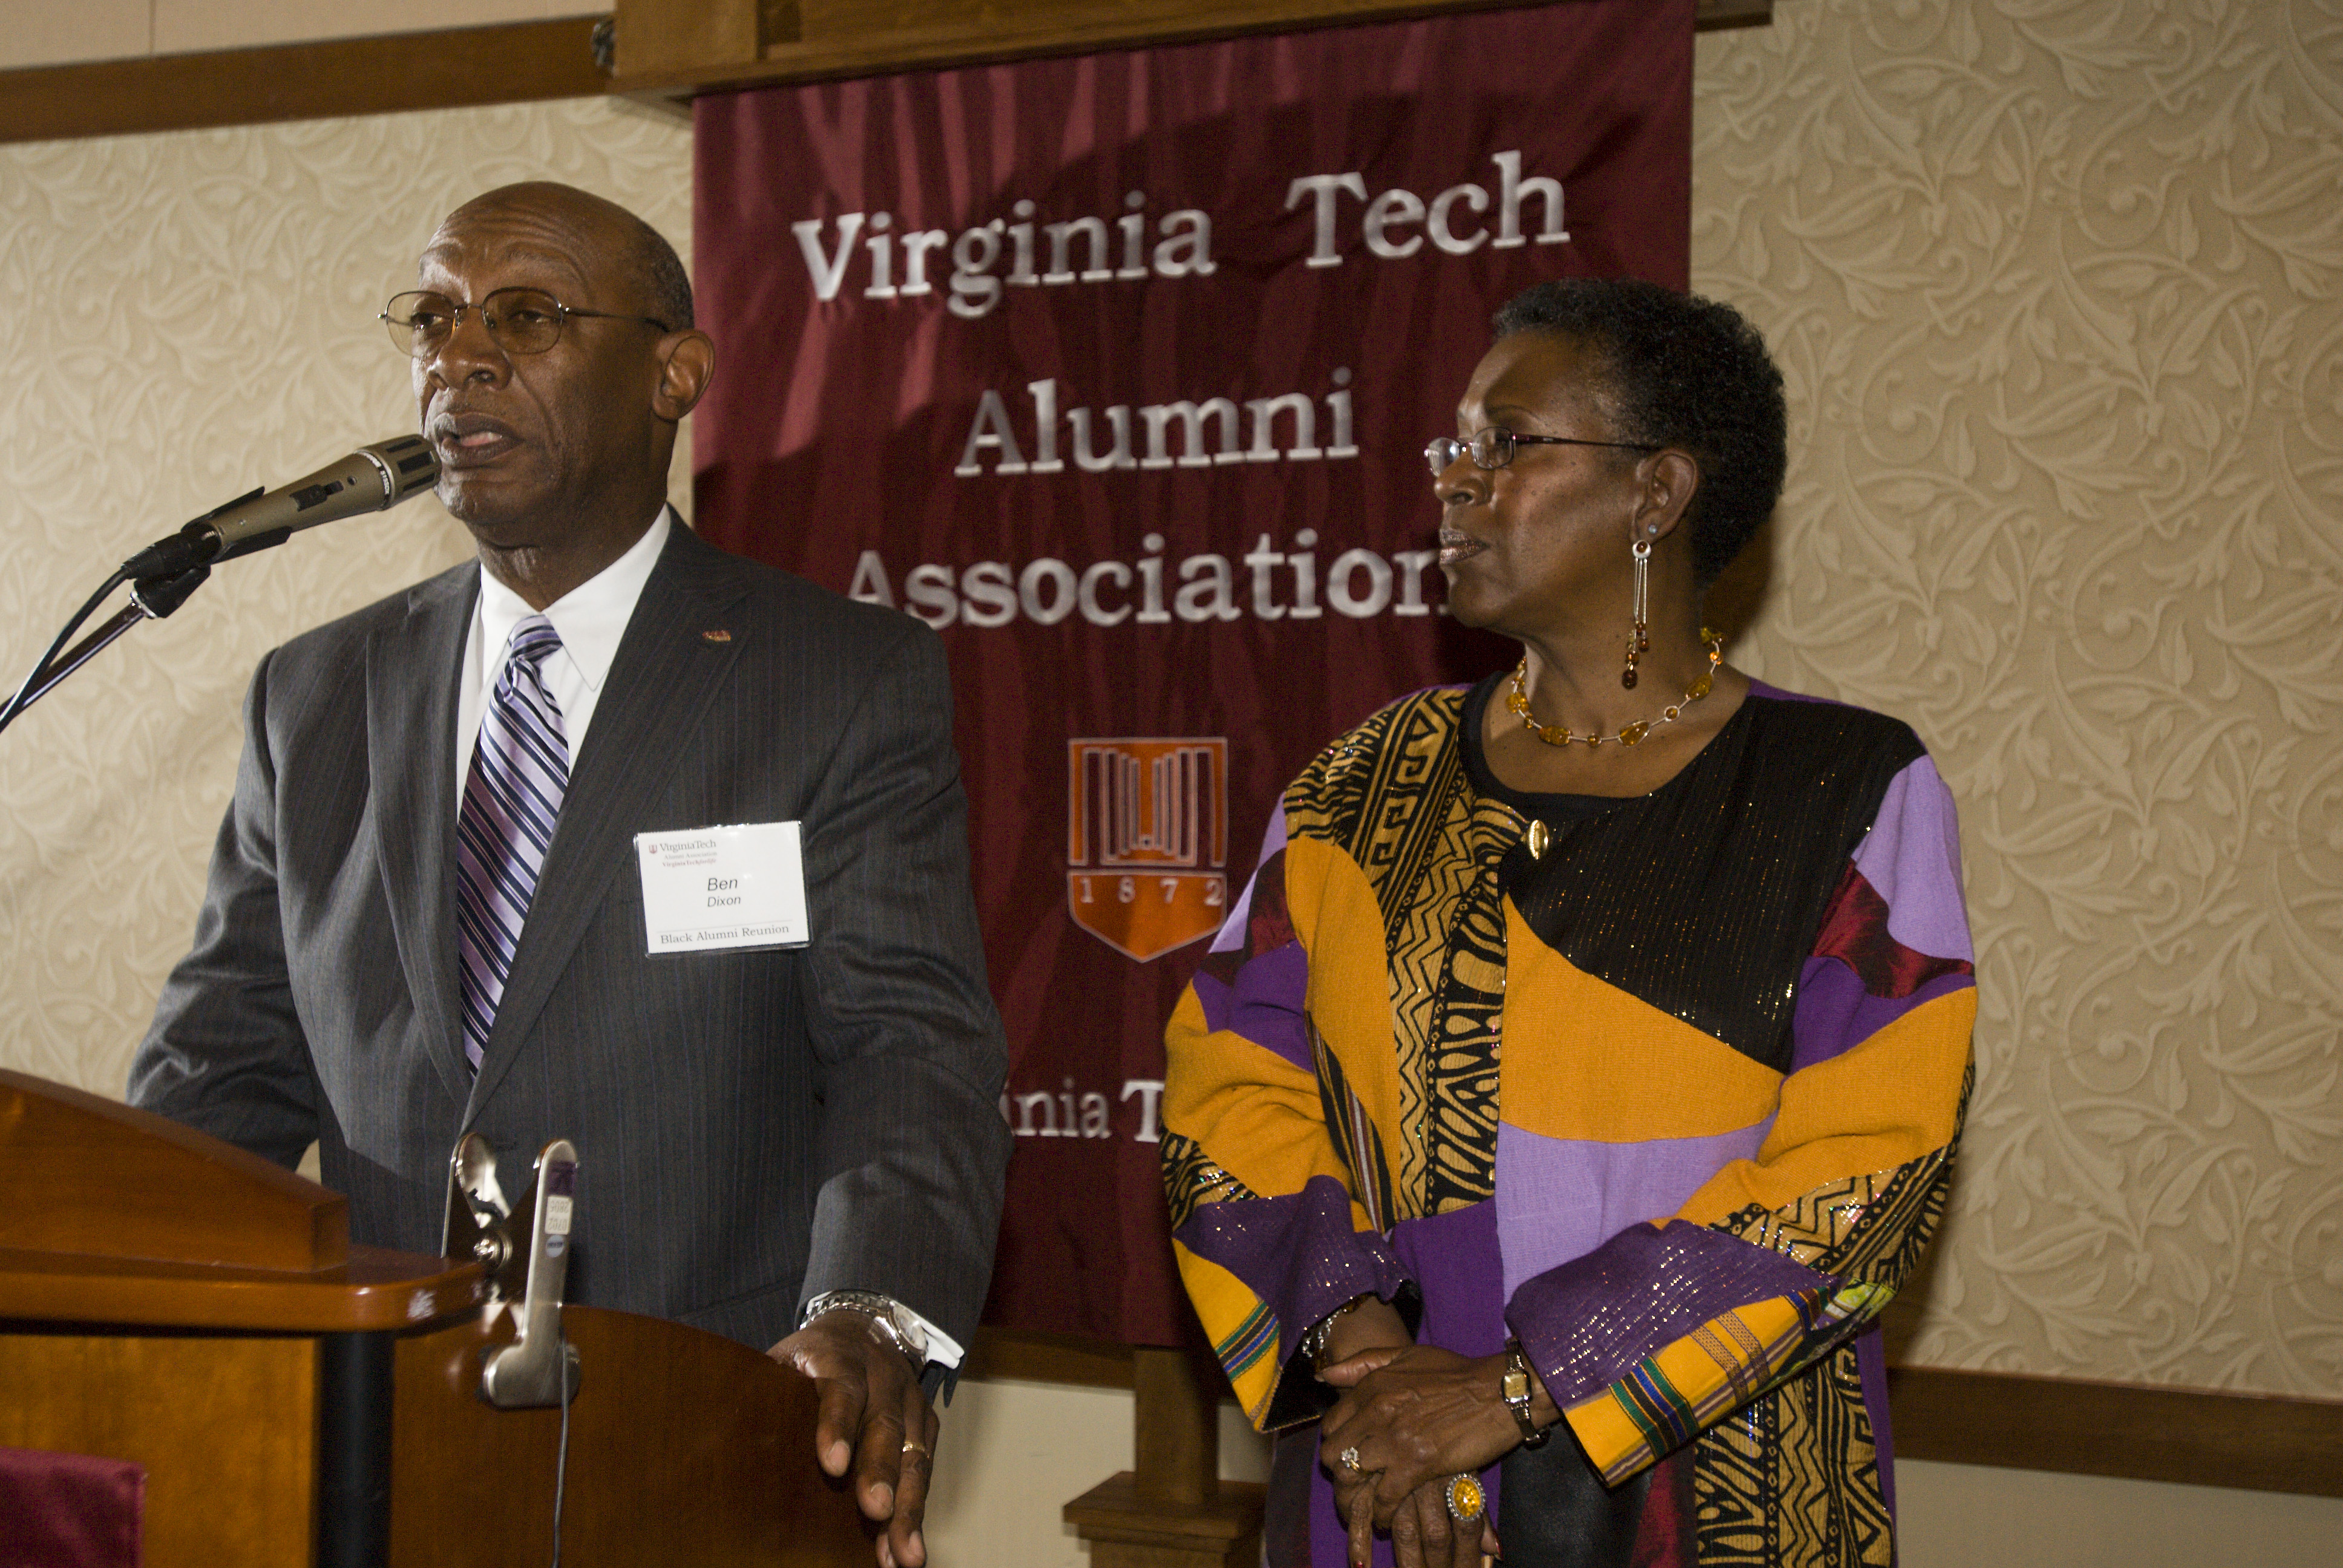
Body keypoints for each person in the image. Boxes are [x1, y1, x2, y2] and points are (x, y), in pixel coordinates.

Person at [128, 182, 1010, 1568]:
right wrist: (103, 1283)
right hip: (366, 1451)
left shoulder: (832, 682)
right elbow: (216, 1080)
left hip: (704, 1441)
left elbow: (909, 1047)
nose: (458, 356)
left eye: (525, 316)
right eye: (434, 318)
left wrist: (874, 1315)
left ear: (676, 374)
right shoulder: (315, 696)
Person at [1161, 278, 1974, 1568]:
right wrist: (1369, 1357)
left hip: (1709, 1495)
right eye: (1452, 446)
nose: (1455, 479)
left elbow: (1867, 1171)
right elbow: (1229, 1086)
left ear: (1657, 493)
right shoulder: (1356, 788)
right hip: (1383, 1491)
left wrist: (1515, 1388)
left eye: (1507, 443)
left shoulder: (1846, 791)